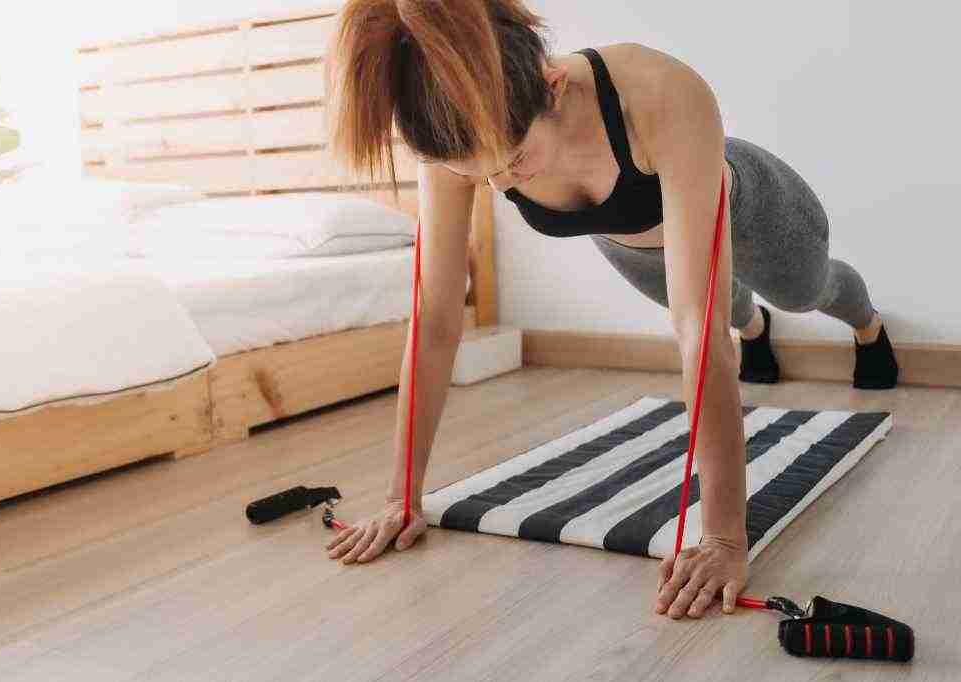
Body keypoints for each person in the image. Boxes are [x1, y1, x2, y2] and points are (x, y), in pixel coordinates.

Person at [321, 0, 899, 620]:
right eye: (480, 175)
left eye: (512, 164)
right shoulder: (455, 137)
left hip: (754, 207)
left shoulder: (656, 92)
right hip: (636, 246)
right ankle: (755, 327)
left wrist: (726, 539)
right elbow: (437, 314)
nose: (497, 185)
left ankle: (867, 324)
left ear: (552, 86)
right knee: (730, 314)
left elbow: (694, 331)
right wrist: (400, 496)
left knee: (805, 293)